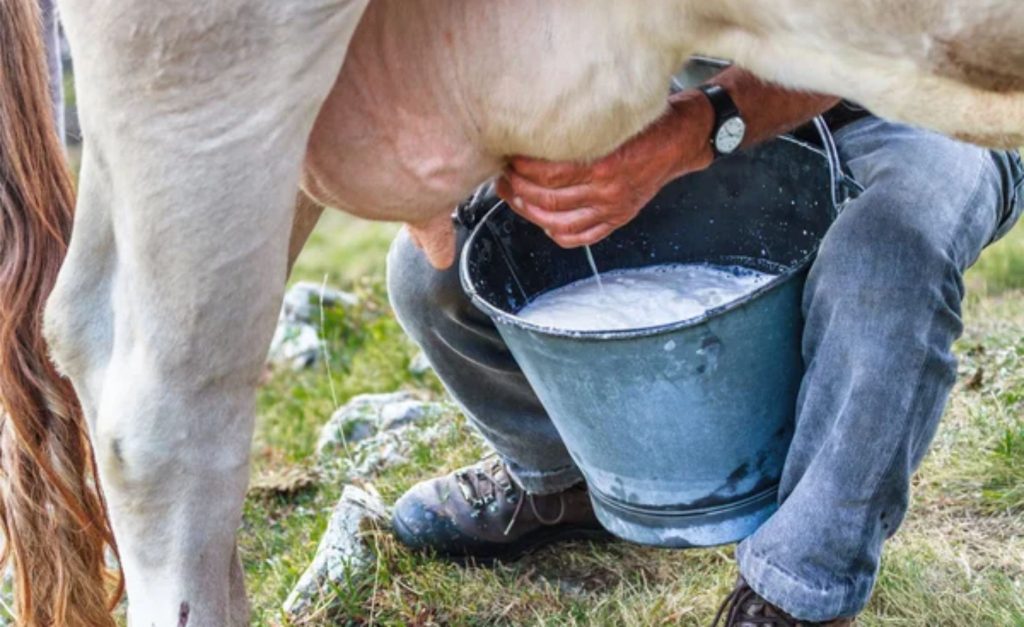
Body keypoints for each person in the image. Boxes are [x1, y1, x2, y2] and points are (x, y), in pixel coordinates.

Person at [384, 62, 1024, 625]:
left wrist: (691, 133)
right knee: (436, 272)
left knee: (887, 261)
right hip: (686, 86)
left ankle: (798, 591)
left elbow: (880, 34)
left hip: (928, 100)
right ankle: (566, 477)